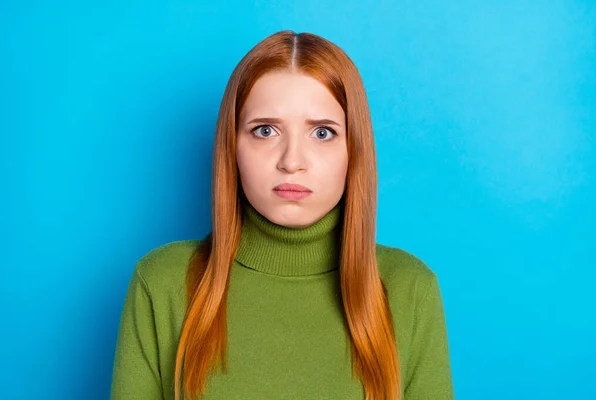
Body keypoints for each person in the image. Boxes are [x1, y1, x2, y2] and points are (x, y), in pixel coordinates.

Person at [110, 30, 455, 400]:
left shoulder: (409, 289)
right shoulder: (162, 283)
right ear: (233, 146)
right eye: (265, 130)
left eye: (322, 133)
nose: (292, 161)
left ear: (353, 149)